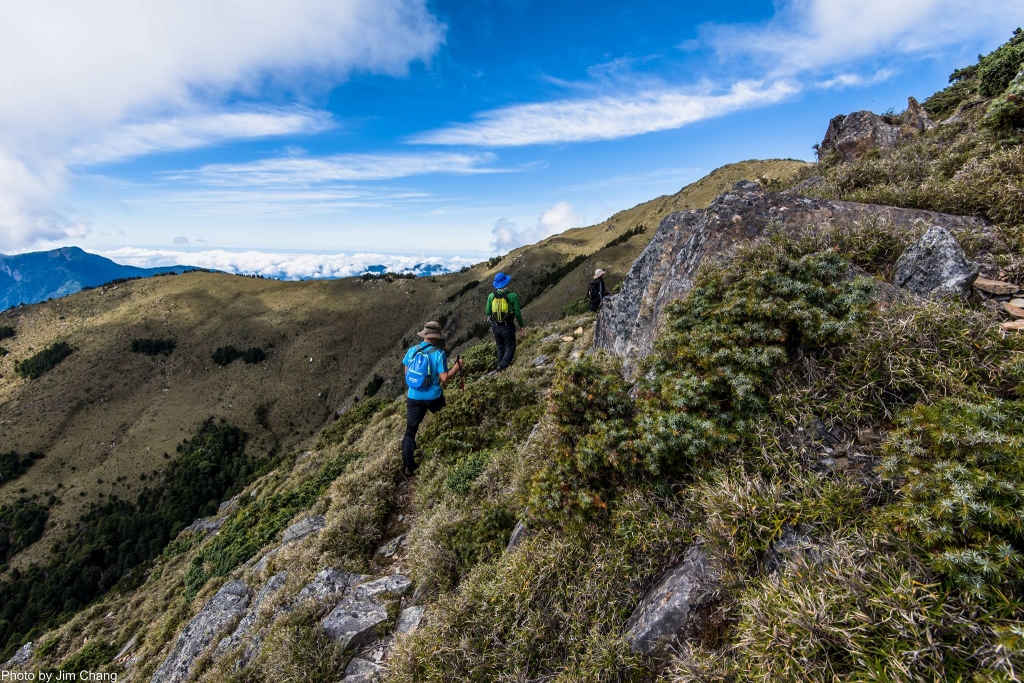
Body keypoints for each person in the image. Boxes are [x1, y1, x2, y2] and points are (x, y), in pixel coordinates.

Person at [401, 321, 463, 477]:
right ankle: (450, 448)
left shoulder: (412, 351)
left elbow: (407, 372)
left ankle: (408, 466)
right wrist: (457, 366)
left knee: (410, 431)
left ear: (425, 335)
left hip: (413, 396)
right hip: (433, 397)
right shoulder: (439, 354)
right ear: (436, 337)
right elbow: (444, 378)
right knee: (446, 419)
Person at [486, 272, 524, 370]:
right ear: (506, 283)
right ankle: (502, 366)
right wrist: (521, 325)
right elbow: (517, 313)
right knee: (510, 346)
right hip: (507, 326)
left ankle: (501, 365)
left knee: (500, 346)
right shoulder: (512, 296)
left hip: (495, 326)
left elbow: (487, 312)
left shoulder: (491, 296)